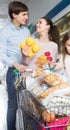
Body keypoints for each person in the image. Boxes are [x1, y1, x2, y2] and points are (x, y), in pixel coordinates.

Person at [0, 1, 30, 130]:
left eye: (26, 14)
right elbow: (1, 54)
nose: (26, 17)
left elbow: (28, 54)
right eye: (23, 14)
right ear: (14, 15)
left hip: (26, 73)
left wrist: (26, 56)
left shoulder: (26, 31)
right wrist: (16, 64)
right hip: (13, 73)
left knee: (28, 106)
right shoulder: (4, 31)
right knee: (13, 105)